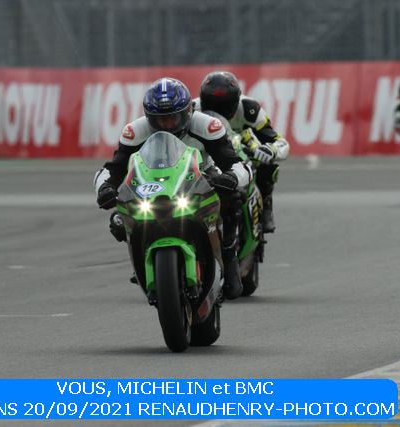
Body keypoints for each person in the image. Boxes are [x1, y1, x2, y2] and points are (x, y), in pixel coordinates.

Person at [93, 77, 252, 300]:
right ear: (149, 117)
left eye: (172, 118)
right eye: (160, 119)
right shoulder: (134, 131)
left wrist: (232, 178)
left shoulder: (207, 126)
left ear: (187, 112)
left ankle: (228, 254)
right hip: (152, 182)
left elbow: (235, 163)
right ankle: (142, 256)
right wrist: (104, 189)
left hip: (201, 175)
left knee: (233, 199)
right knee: (118, 220)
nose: (167, 124)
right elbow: (113, 169)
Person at [194, 71, 289, 233]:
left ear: (236, 100)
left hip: (242, 143)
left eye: (225, 106)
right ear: (203, 100)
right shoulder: (193, 109)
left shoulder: (249, 108)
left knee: (267, 165)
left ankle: (266, 205)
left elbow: (280, 142)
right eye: (212, 106)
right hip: (209, 147)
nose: (219, 112)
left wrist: (271, 150)